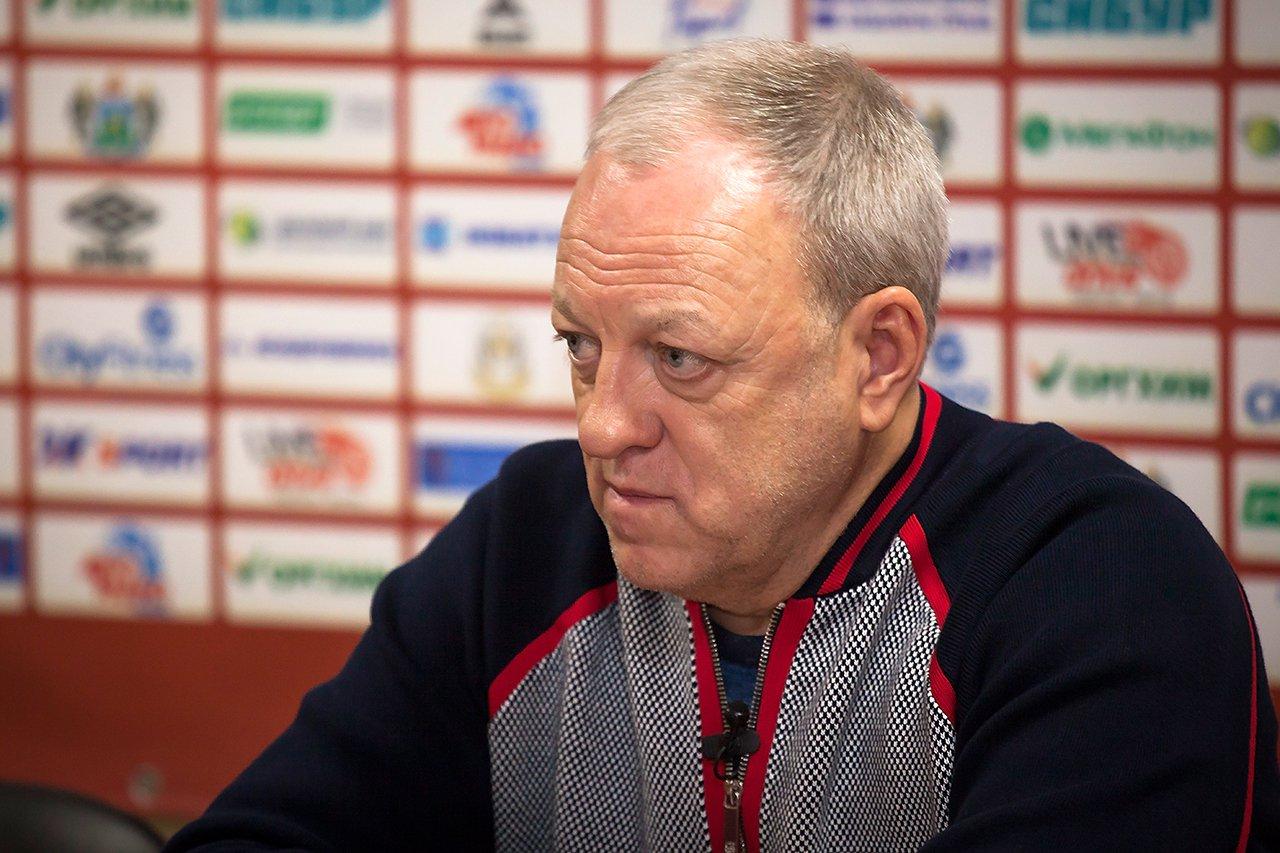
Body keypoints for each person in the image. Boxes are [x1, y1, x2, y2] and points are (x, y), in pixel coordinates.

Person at [167, 40, 1278, 852]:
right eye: (581, 345)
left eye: (680, 357)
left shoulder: (1104, 585)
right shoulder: (525, 546)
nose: (602, 425)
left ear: (878, 356)